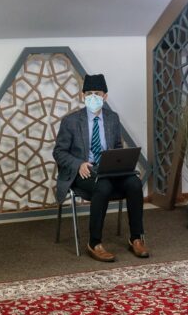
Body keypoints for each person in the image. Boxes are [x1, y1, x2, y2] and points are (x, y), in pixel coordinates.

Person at [53, 74, 148, 262]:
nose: (93, 97)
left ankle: (136, 238)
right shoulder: (71, 121)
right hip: (84, 172)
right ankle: (94, 243)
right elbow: (59, 152)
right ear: (82, 96)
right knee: (103, 186)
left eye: (97, 93)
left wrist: (120, 161)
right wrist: (78, 164)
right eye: (89, 93)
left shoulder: (112, 118)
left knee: (135, 183)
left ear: (105, 96)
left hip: (109, 169)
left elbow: (117, 147)